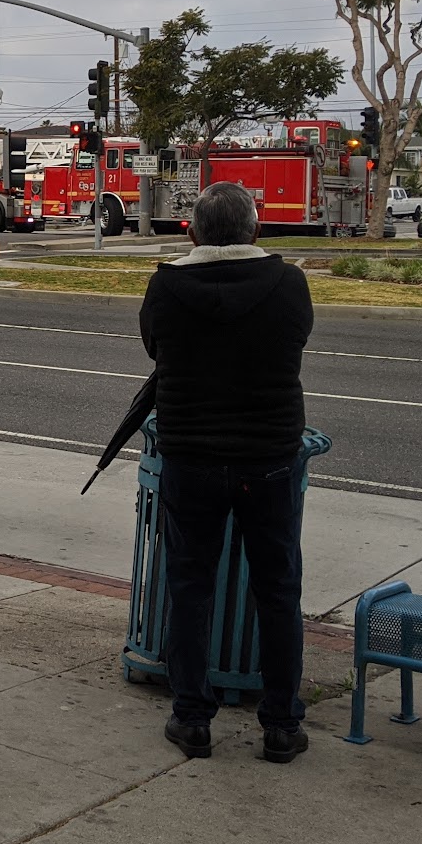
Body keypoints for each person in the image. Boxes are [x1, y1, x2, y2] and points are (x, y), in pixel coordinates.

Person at [139, 181, 315, 764]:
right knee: (278, 590)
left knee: (190, 588)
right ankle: (282, 725)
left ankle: (192, 718)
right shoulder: (288, 284)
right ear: (255, 230)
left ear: (191, 232)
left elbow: (154, 348)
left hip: (190, 458)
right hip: (270, 459)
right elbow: (295, 341)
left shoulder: (166, 286)